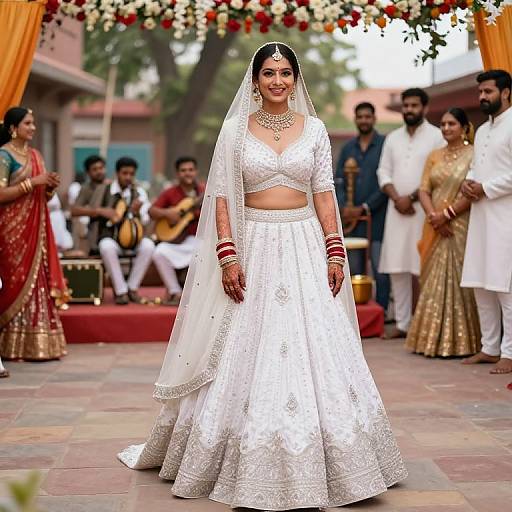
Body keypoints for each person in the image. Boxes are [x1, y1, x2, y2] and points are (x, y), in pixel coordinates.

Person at [118, 42, 407, 510]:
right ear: (254, 80)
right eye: (269, 73)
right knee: (247, 344)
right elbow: (223, 197)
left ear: (296, 79)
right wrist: (228, 255)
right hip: (253, 244)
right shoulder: (234, 131)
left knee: (315, 343)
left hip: (303, 242)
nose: (277, 81)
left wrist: (335, 249)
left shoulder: (314, 129)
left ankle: (341, 463)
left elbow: (324, 194)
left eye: (285, 73)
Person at [405, 108, 481, 357]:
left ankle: (465, 343)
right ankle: (428, 340)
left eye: (452, 124)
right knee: (431, 279)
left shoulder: (474, 154)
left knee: (461, 278)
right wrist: (434, 217)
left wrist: (447, 215)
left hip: (460, 224)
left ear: (464, 127)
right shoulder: (434, 155)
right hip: (434, 224)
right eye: (443, 124)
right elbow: (424, 189)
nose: (446, 128)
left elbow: (470, 191)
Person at [0, 107, 68, 361]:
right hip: (11, 231)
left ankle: (39, 342)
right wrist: (34, 182)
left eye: (33, 122)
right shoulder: (4, 156)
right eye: (28, 123)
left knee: (37, 279)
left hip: (35, 229)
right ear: (12, 128)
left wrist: (48, 187)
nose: (33, 127)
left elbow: (40, 195)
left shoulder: (36, 155)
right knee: (14, 281)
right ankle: (9, 345)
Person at [377, 88, 444, 338]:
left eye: (414, 106)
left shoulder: (437, 136)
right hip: (397, 210)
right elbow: (383, 171)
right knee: (397, 266)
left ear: (424, 108)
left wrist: (413, 198)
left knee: (422, 266)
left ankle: (424, 326)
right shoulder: (392, 138)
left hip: (424, 210)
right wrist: (397, 197)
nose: (409, 110)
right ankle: (403, 324)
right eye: (406, 106)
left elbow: (439, 174)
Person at [461, 69, 512, 374]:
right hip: (480, 216)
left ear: (506, 93)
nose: (482, 97)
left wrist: (486, 188)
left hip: (505, 216)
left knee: (504, 285)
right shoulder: (481, 130)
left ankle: (509, 352)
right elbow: (477, 167)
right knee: (481, 283)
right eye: (480, 92)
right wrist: (469, 182)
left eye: (488, 91)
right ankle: (490, 348)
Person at [336, 102, 390, 311]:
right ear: (355, 119)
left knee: (379, 267)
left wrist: (366, 207)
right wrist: (343, 207)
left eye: (368, 117)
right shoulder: (349, 147)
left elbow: (386, 181)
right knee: (354, 267)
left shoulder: (385, 144)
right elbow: (338, 180)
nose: (364, 121)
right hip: (351, 220)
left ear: (374, 119)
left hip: (378, 217)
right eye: (360, 117)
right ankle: (353, 315)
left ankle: (383, 312)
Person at [96, 157, 154, 305]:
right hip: (112, 238)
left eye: (131, 174)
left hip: (133, 239)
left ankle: (132, 288)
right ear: (117, 173)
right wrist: (104, 212)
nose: (128, 177)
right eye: (124, 173)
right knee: (106, 246)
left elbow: (146, 220)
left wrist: (137, 213)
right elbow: (90, 210)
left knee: (148, 245)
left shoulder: (139, 192)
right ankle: (120, 291)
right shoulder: (105, 189)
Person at [150, 156, 206, 305]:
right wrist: (167, 213)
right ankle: (175, 292)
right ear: (177, 173)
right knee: (159, 252)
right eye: (183, 170)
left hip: (199, 240)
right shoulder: (170, 192)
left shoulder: (204, 191)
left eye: (191, 170)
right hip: (179, 241)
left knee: (204, 251)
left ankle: (195, 296)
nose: (187, 173)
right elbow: (152, 211)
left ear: (196, 172)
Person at [71, 155, 108, 255]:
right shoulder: (86, 189)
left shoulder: (111, 186)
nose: (99, 172)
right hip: (95, 232)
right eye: (95, 169)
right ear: (88, 173)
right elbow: (74, 211)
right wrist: (97, 211)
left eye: (101, 168)